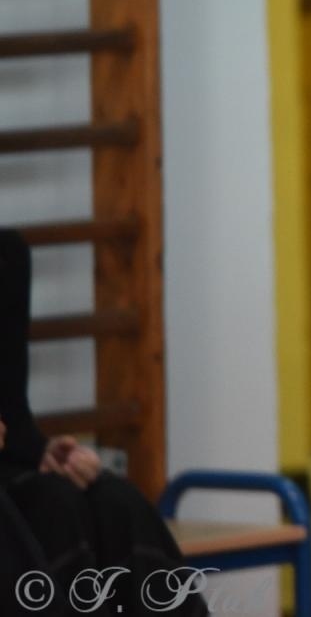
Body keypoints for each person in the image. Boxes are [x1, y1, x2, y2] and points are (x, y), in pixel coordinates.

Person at [1, 228, 208, 617]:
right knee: (52, 510)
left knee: (116, 503)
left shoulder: (6, 257)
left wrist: (42, 451)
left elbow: (12, 413)